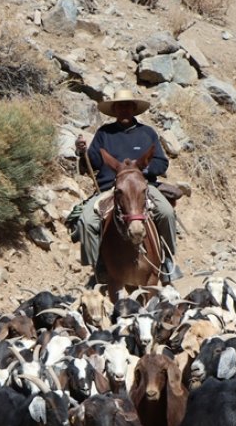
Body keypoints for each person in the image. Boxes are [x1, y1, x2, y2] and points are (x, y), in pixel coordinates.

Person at [65, 89, 183, 284]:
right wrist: (82, 151)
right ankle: (98, 266)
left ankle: (168, 261)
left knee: (166, 212)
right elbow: (93, 163)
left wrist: (139, 172)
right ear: (115, 110)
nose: (124, 110)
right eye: (120, 106)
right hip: (110, 189)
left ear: (134, 109)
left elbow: (162, 163)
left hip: (142, 188)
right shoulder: (104, 133)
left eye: (128, 106)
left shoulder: (147, 133)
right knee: (86, 220)